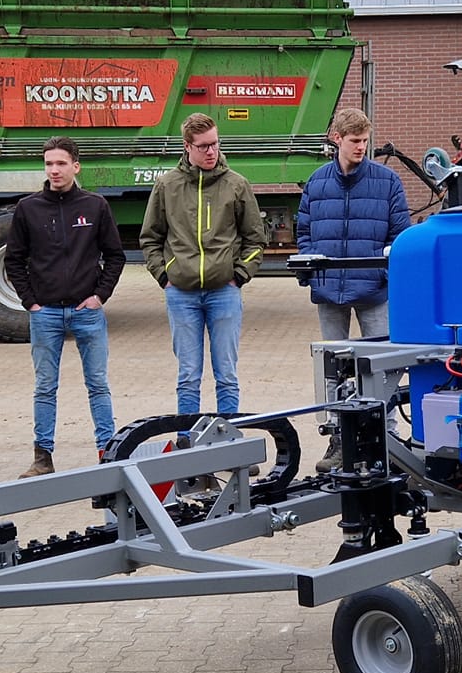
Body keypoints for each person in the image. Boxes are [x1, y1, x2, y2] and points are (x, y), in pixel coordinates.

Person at [297, 109, 414, 468]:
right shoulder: (317, 183)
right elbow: (304, 231)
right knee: (332, 367)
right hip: (330, 292)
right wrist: (311, 273)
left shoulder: (387, 181)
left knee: (383, 366)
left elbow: (401, 236)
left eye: (365, 140)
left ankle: (389, 440)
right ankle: (337, 440)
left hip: (374, 290)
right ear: (337, 140)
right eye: (354, 141)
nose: (361, 147)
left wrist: (387, 277)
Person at [7, 136, 125, 476]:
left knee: (98, 385)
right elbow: (14, 260)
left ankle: (108, 450)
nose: (54, 170)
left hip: (87, 312)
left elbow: (115, 255)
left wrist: (100, 296)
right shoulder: (28, 209)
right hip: (45, 315)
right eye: (48, 164)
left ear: (76, 165)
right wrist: (30, 302)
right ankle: (42, 457)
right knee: (45, 386)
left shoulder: (95, 206)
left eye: (61, 163)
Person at [140, 113, 268, 417]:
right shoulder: (166, 186)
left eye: (215, 144)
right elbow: (150, 238)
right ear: (188, 147)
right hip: (180, 293)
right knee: (187, 376)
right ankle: (189, 443)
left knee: (226, 375)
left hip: (225, 292)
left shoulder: (237, 185)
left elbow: (255, 239)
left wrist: (238, 276)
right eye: (203, 146)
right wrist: (164, 275)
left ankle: (227, 441)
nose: (212, 152)